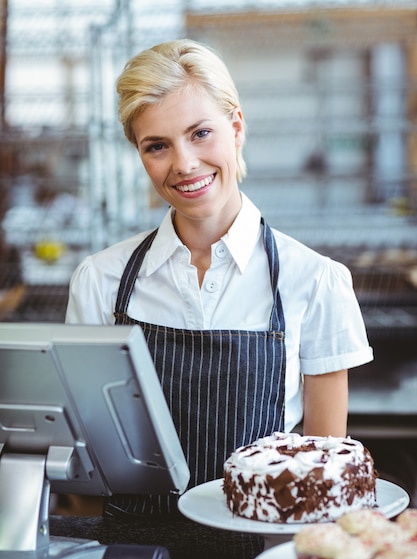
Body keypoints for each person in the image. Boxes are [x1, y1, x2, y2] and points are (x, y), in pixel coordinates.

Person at [66, 39, 373, 516]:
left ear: (236, 127)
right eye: (157, 146)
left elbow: (323, 480)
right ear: (139, 153)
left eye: (200, 133)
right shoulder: (99, 281)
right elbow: (85, 466)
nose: (184, 164)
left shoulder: (316, 282)